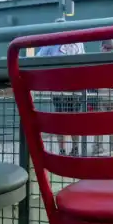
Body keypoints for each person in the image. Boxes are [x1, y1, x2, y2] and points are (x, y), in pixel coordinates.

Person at [36, 19, 85, 156]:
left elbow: (38, 58)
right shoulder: (78, 42)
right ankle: (74, 149)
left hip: (59, 87)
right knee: (73, 118)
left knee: (61, 119)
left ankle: (63, 150)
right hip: (75, 88)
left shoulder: (52, 41)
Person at [92, 40, 113, 155]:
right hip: (109, 93)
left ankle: (102, 147)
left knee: (104, 123)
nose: (108, 50)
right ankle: (110, 146)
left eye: (109, 48)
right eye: (107, 48)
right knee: (107, 123)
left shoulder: (101, 60)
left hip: (106, 93)